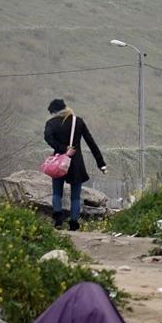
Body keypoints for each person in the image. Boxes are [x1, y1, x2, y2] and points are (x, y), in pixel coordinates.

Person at [44, 98, 107, 230]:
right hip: (76, 163)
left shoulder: (51, 123)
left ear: (54, 112)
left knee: (57, 192)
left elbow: (48, 137)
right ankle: (73, 224)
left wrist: (62, 149)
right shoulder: (77, 122)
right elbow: (91, 142)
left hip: (59, 161)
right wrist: (101, 163)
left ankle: (58, 221)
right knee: (75, 196)